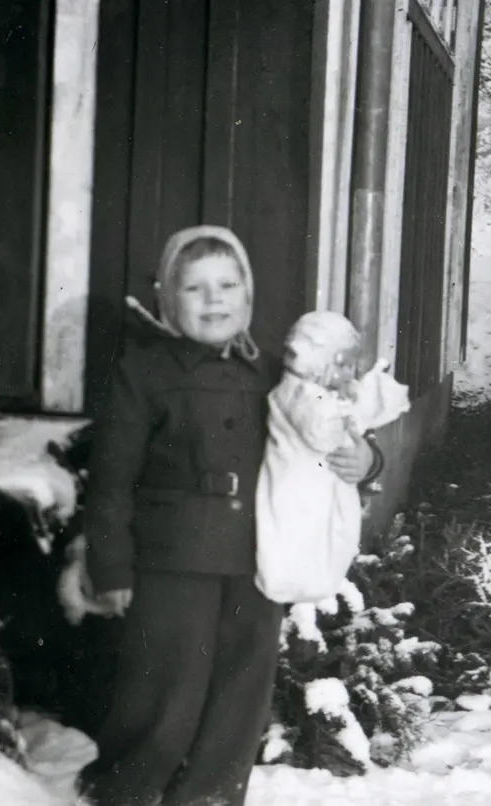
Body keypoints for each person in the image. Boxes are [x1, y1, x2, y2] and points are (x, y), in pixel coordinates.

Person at [75, 226, 382, 806]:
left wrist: (366, 458)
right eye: (195, 288)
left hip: (254, 559)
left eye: (227, 284)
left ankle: (211, 797)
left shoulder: (271, 371)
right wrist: (110, 567)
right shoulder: (143, 373)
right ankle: (126, 794)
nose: (214, 299)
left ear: (248, 295)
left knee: (238, 701)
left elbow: (332, 426)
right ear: (168, 299)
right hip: (170, 565)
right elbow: (112, 481)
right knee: (162, 698)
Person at [255, 311, 410, 604]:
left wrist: (367, 456)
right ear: (318, 363)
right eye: (345, 365)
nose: (351, 374)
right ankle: (295, 581)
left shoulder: (315, 391)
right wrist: (353, 411)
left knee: (325, 532)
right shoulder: (299, 392)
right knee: (297, 533)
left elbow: (358, 447)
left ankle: (314, 579)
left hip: (318, 481)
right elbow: (321, 432)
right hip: (295, 483)